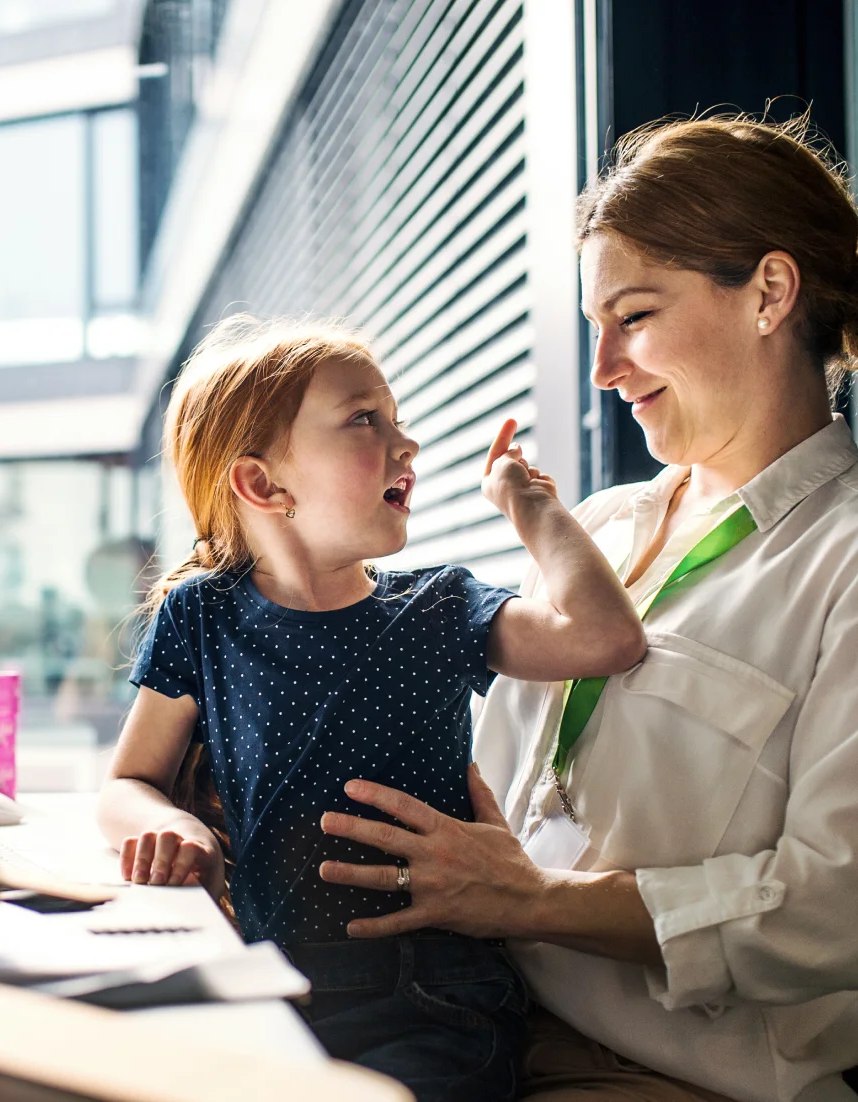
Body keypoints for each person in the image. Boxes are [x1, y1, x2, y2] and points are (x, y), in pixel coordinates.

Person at [315, 116, 858, 1102]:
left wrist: (534, 899)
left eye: (630, 318)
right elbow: (500, 802)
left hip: (656, 1073)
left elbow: (827, 917)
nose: (602, 369)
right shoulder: (594, 528)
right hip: (467, 1018)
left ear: (768, 293)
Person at [97, 315, 648, 1102]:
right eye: (365, 419)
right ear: (263, 484)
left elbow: (605, 639)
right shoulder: (200, 617)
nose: (406, 443)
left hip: (432, 997)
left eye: (396, 418)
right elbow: (127, 783)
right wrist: (172, 828)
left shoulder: (442, 607)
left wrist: (531, 508)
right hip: (267, 984)